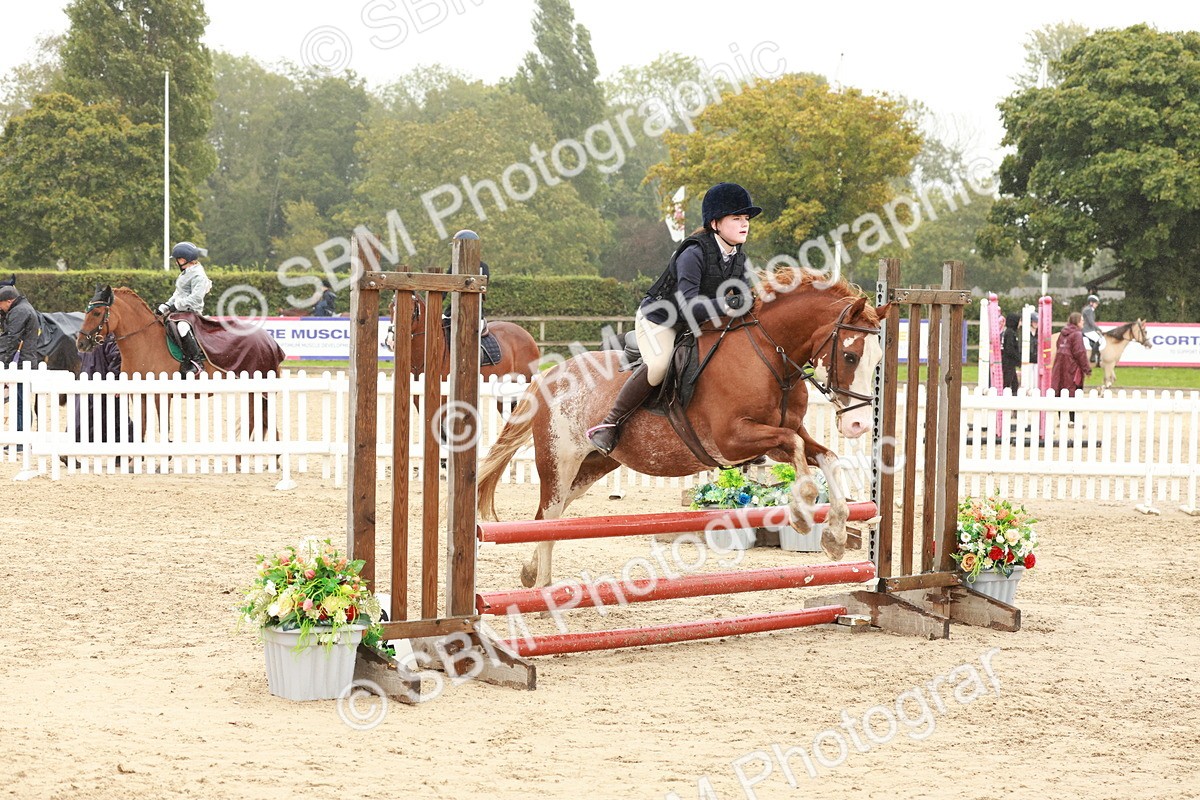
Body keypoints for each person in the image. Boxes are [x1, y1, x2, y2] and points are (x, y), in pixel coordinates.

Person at [587, 182, 761, 455]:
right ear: (715, 223)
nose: (744, 224)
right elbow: (689, 306)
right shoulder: (693, 253)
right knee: (659, 364)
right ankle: (609, 425)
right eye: (736, 218)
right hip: (661, 319)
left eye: (746, 219)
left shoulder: (739, 258)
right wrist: (728, 303)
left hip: (698, 323)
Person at [157, 241, 212, 377]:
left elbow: (196, 299)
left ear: (183, 259)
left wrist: (177, 305)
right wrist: (166, 305)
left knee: (182, 327)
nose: (176, 263)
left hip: (192, 311)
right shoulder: (186, 273)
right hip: (181, 311)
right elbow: (178, 293)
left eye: (177, 260)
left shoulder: (198, 275)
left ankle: (196, 361)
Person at [1052, 311, 1092, 423]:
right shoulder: (1077, 334)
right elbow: (1080, 352)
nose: (1083, 322)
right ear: (1077, 322)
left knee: (1061, 391)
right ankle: (1073, 419)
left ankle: (1062, 418)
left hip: (1060, 366)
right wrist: (1086, 369)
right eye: (1082, 320)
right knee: (1074, 391)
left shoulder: (1062, 333)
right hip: (1072, 367)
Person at [1000, 312, 1021, 394]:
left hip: (1009, 362)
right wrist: (1018, 358)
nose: (1020, 324)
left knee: (1014, 383)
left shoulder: (1010, 332)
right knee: (1009, 383)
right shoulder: (1010, 333)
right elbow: (1009, 349)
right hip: (1008, 362)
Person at [1081, 294, 1103, 366]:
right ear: (1091, 303)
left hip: (1090, 329)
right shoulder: (1088, 310)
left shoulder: (1090, 310)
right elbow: (1091, 322)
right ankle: (1092, 357)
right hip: (1087, 330)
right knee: (1099, 339)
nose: (1097, 305)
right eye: (1096, 303)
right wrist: (1098, 329)